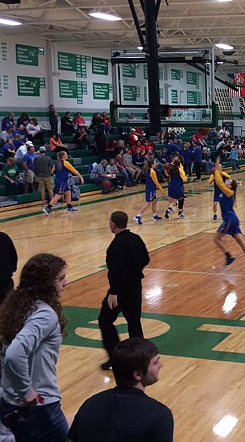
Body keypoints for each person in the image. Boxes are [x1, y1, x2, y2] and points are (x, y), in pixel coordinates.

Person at [0, 253, 69, 442]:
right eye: (61, 278)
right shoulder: (45, 315)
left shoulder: (17, 306)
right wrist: (25, 391)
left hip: (9, 401)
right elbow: (14, 354)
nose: (66, 283)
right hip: (38, 407)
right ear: (45, 282)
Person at [66, 338, 173, 442]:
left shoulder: (90, 404)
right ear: (138, 374)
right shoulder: (160, 415)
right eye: (155, 362)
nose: (161, 365)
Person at [99, 211, 150, 370]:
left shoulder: (115, 245)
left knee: (105, 320)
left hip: (120, 291)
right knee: (134, 323)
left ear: (113, 224)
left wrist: (113, 292)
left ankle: (115, 358)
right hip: (135, 286)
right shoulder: (136, 239)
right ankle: (142, 359)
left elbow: (115, 271)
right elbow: (146, 259)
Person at [212, 160, 245, 272]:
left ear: (230, 186)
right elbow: (219, 180)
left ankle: (229, 256)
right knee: (241, 241)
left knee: (217, 239)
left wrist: (217, 167)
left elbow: (218, 180)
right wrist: (217, 168)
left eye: (229, 181)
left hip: (229, 220)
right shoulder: (226, 192)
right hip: (233, 219)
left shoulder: (228, 192)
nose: (227, 180)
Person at [43, 151, 84, 215]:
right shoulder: (65, 163)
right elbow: (74, 170)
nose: (67, 155)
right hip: (62, 181)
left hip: (58, 180)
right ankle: (48, 208)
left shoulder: (56, 163)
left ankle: (69, 207)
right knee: (58, 195)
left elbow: (52, 172)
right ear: (63, 156)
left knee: (68, 193)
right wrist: (80, 177)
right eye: (66, 154)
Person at [134, 160, 164, 224]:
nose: (156, 164)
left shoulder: (149, 170)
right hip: (150, 189)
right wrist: (161, 190)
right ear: (152, 164)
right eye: (155, 163)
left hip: (151, 189)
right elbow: (156, 182)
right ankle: (138, 216)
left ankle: (154, 215)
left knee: (155, 201)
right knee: (148, 203)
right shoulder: (152, 172)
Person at [0, 232, 17, 303]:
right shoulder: (4, 237)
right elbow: (14, 258)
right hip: (6, 281)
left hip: (5, 280)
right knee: (9, 308)